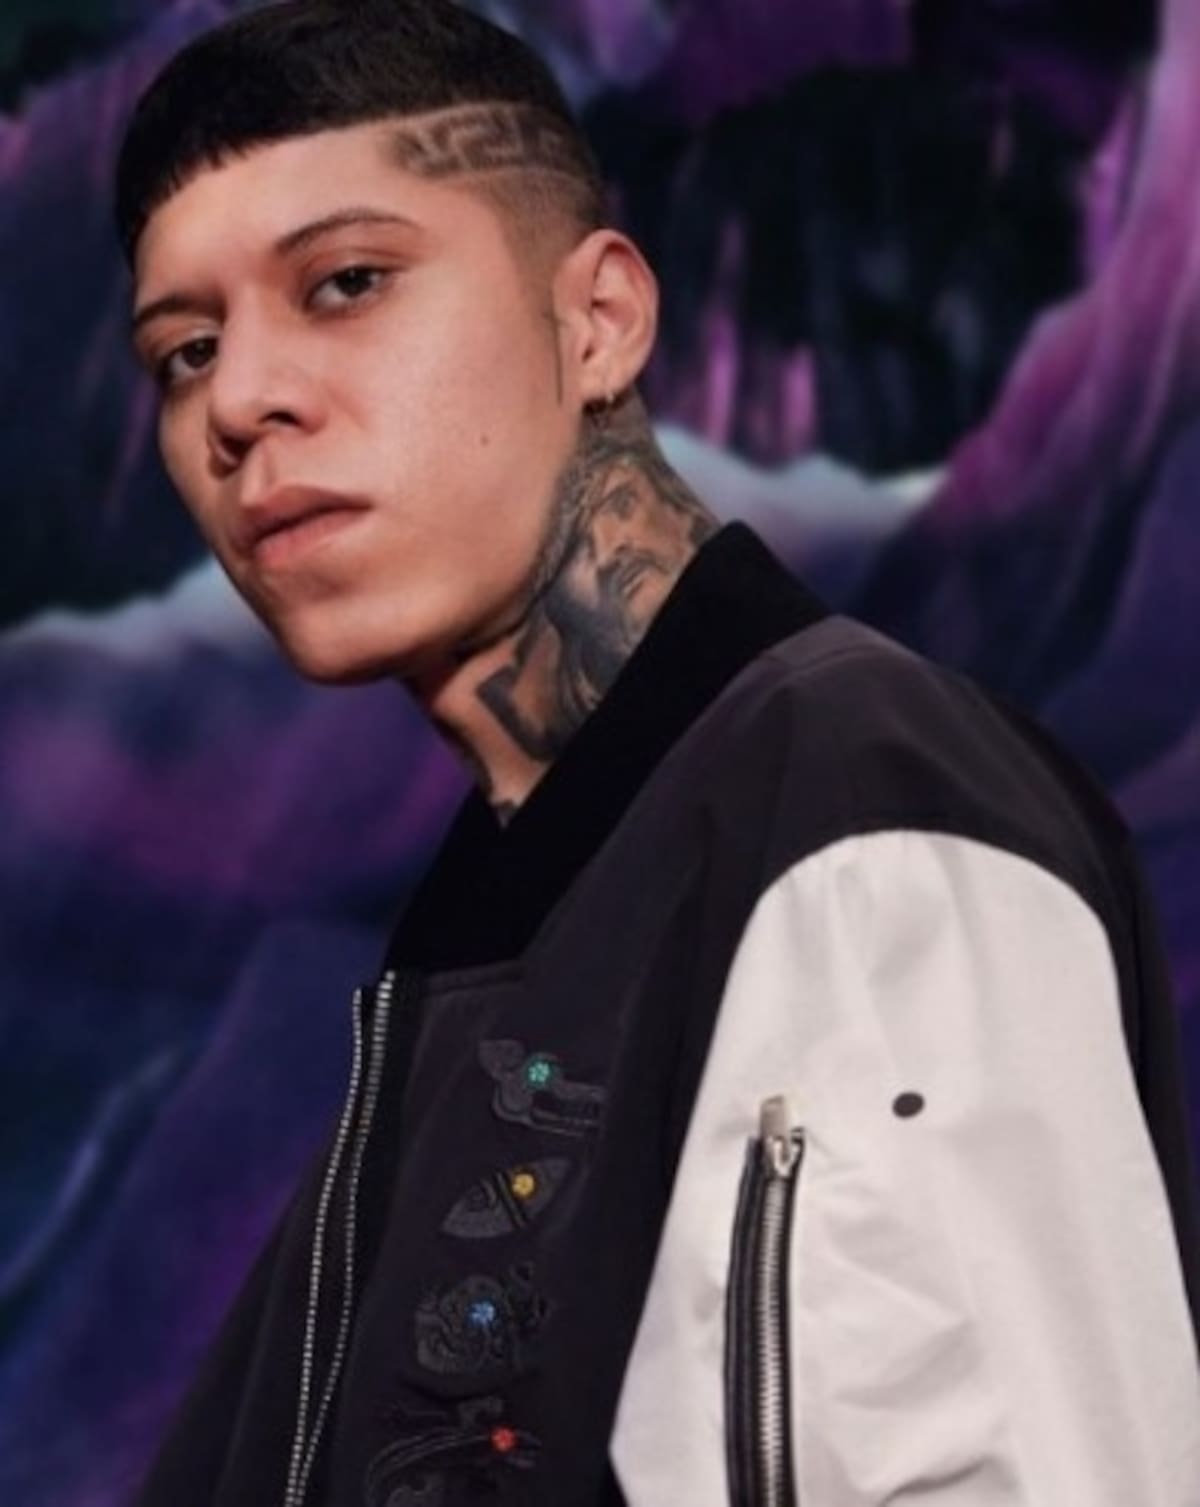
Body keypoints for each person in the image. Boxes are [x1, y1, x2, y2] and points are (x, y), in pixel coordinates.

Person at [114, 2, 1200, 1503]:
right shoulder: (523, 881)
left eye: (347, 282)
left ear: (601, 321)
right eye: (185, 352)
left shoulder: (861, 802)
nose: (239, 402)